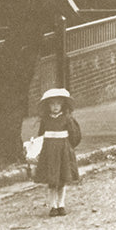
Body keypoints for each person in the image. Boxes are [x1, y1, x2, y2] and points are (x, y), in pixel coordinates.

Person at [33, 88, 81, 217]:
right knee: (52, 181)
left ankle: (61, 204)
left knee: (62, 179)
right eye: (52, 104)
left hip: (63, 152)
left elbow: (74, 135)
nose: (55, 107)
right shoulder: (45, 120)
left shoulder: (67, 118)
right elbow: (41, 136)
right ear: (48, 106)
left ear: (63, 105)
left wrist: (68, 148)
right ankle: (52, 206)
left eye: (58, 104)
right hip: (49, 153)